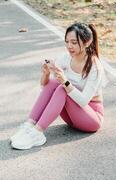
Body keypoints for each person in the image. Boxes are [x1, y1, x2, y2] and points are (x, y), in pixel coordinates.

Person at [11, 22, 106, 150]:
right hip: (71, 118)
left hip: (91, 118)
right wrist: (45, 74)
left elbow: (83, 101)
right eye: (67, 41)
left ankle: (37, 133)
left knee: (62, 87)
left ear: (87, 42)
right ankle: (29, 125)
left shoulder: (95, 67)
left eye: (74, 42)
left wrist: (66, 82)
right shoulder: (65, 58)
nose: (69, 46)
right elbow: (46, 87)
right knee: (55, 83)